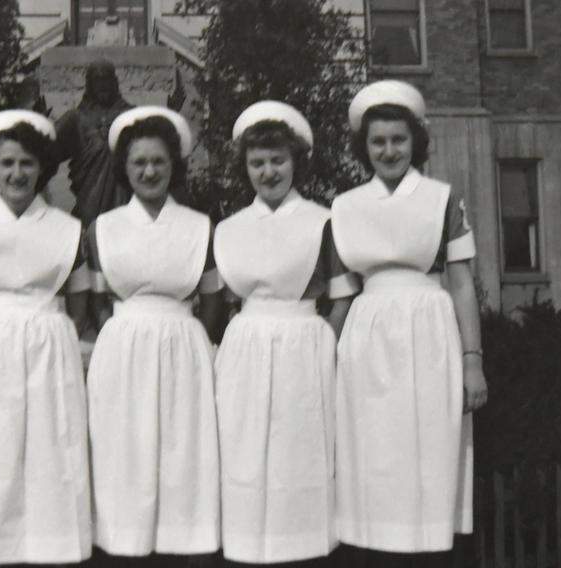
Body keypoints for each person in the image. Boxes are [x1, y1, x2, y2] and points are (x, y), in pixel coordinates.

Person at [332, 80, 488, 567]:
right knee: (371, 456)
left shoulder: (443, 199)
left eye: (398, 139)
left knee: (429, 456)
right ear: (365, 147)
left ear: (415, 142)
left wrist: (472, 363)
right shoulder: (345, 206)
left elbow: (462, 283)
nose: (389, 150)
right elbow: (341, 295)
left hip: (430, 332)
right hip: (367, 338)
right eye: (378, 141)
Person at [213, 101, 359, 567]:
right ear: (246, 167)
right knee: (246, 454)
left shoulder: (323, 221)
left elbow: (341, 299)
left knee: (299, 456)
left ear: (296, 161)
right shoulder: (229, 228)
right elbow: (220, 303)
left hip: (304, 346)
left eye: (278, 160)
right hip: (245, 349)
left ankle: (305, 552)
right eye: (257, 162)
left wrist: (321, 349)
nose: (268, 171)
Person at [0, 109, 92, 566]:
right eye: (7, 163)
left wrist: (55, 338)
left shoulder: (69, 231)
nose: (17, 173)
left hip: (52, 348)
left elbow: (79, 306)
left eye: (27, 163)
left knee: (53, 458)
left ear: (42, 168)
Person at [85, 106, 222, 566]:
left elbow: (213, 303)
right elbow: (99, 304)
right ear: (124, 169)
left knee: (182, 462)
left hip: (185, 351)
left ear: (174, 166)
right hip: (122, 352)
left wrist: (187, 344)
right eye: (139, 162)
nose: (149, 171)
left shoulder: (200, 227)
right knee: (125, 460)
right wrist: (129, 338)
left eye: (159, 162)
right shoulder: (103, 229)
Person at [55, 58, 134, 226]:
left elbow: (157, 142)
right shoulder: (76, 118)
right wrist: (36, 120)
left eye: (106, 79)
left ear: (114, 82)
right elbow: (45, 147)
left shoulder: (130, 115)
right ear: (89, 84)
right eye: (97, 80)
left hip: (122, 197)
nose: (102, 84)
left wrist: (173, 113)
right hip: (89, 197)